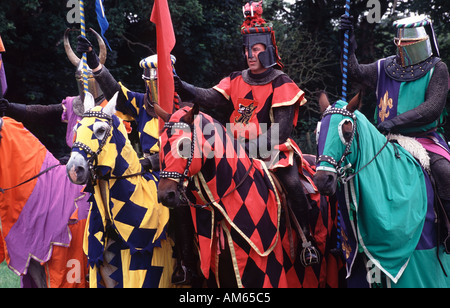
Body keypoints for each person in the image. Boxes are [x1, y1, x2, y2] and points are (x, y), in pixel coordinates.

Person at [175, 1, 320, 266]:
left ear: (268, 50)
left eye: (255, 49)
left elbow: (281, 131)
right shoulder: (236, 78)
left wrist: (247, 147)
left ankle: (307, 241)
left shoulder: (281, 82)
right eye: (247, 50)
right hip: (233, 146)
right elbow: (211, 97)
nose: (250, 55)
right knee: (190, 179)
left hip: (272, 149)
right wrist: (182, 85)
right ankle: (188, 256)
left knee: (293, 185)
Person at [75, 36, 199, 285]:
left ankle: (186, 265)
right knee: (104, 194)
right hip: (143, 173)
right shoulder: (142, 105)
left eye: (157, 84)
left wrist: (152, 162)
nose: (151, 90)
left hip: (176, 174)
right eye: (148, 84)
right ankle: (99, 251)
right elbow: (116, 93)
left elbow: (187, 150)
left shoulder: (184, 111)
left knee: (181, 205)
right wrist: (94, 62)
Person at [340, 14, 450, 251]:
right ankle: (347, 237)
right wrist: (348, 41)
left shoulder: (437, 69)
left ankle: (447, 231)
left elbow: (431, 109)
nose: (403, 49)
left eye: (409, 44)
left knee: (445, 172)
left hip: (424, 139)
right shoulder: (384, 67)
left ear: (423, 43)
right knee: (344, 170)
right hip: (384, 139)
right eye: (400, 44)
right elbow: (355, 72)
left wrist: (395, 122)